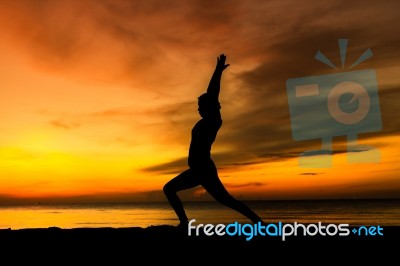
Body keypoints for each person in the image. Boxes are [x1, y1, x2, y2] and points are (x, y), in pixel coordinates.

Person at [163, 54, 263, 228]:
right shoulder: (205, 121)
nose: (199, 110)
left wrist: (218, 72)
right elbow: (210, 96)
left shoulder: (213, 120)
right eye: (198, 107)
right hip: (197, 169)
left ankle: (259, 223)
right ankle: (184, 223)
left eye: (201, 107)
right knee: (171, 189)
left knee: (226, 200)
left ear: (210, 107)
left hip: (203, 169)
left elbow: (212, 93)